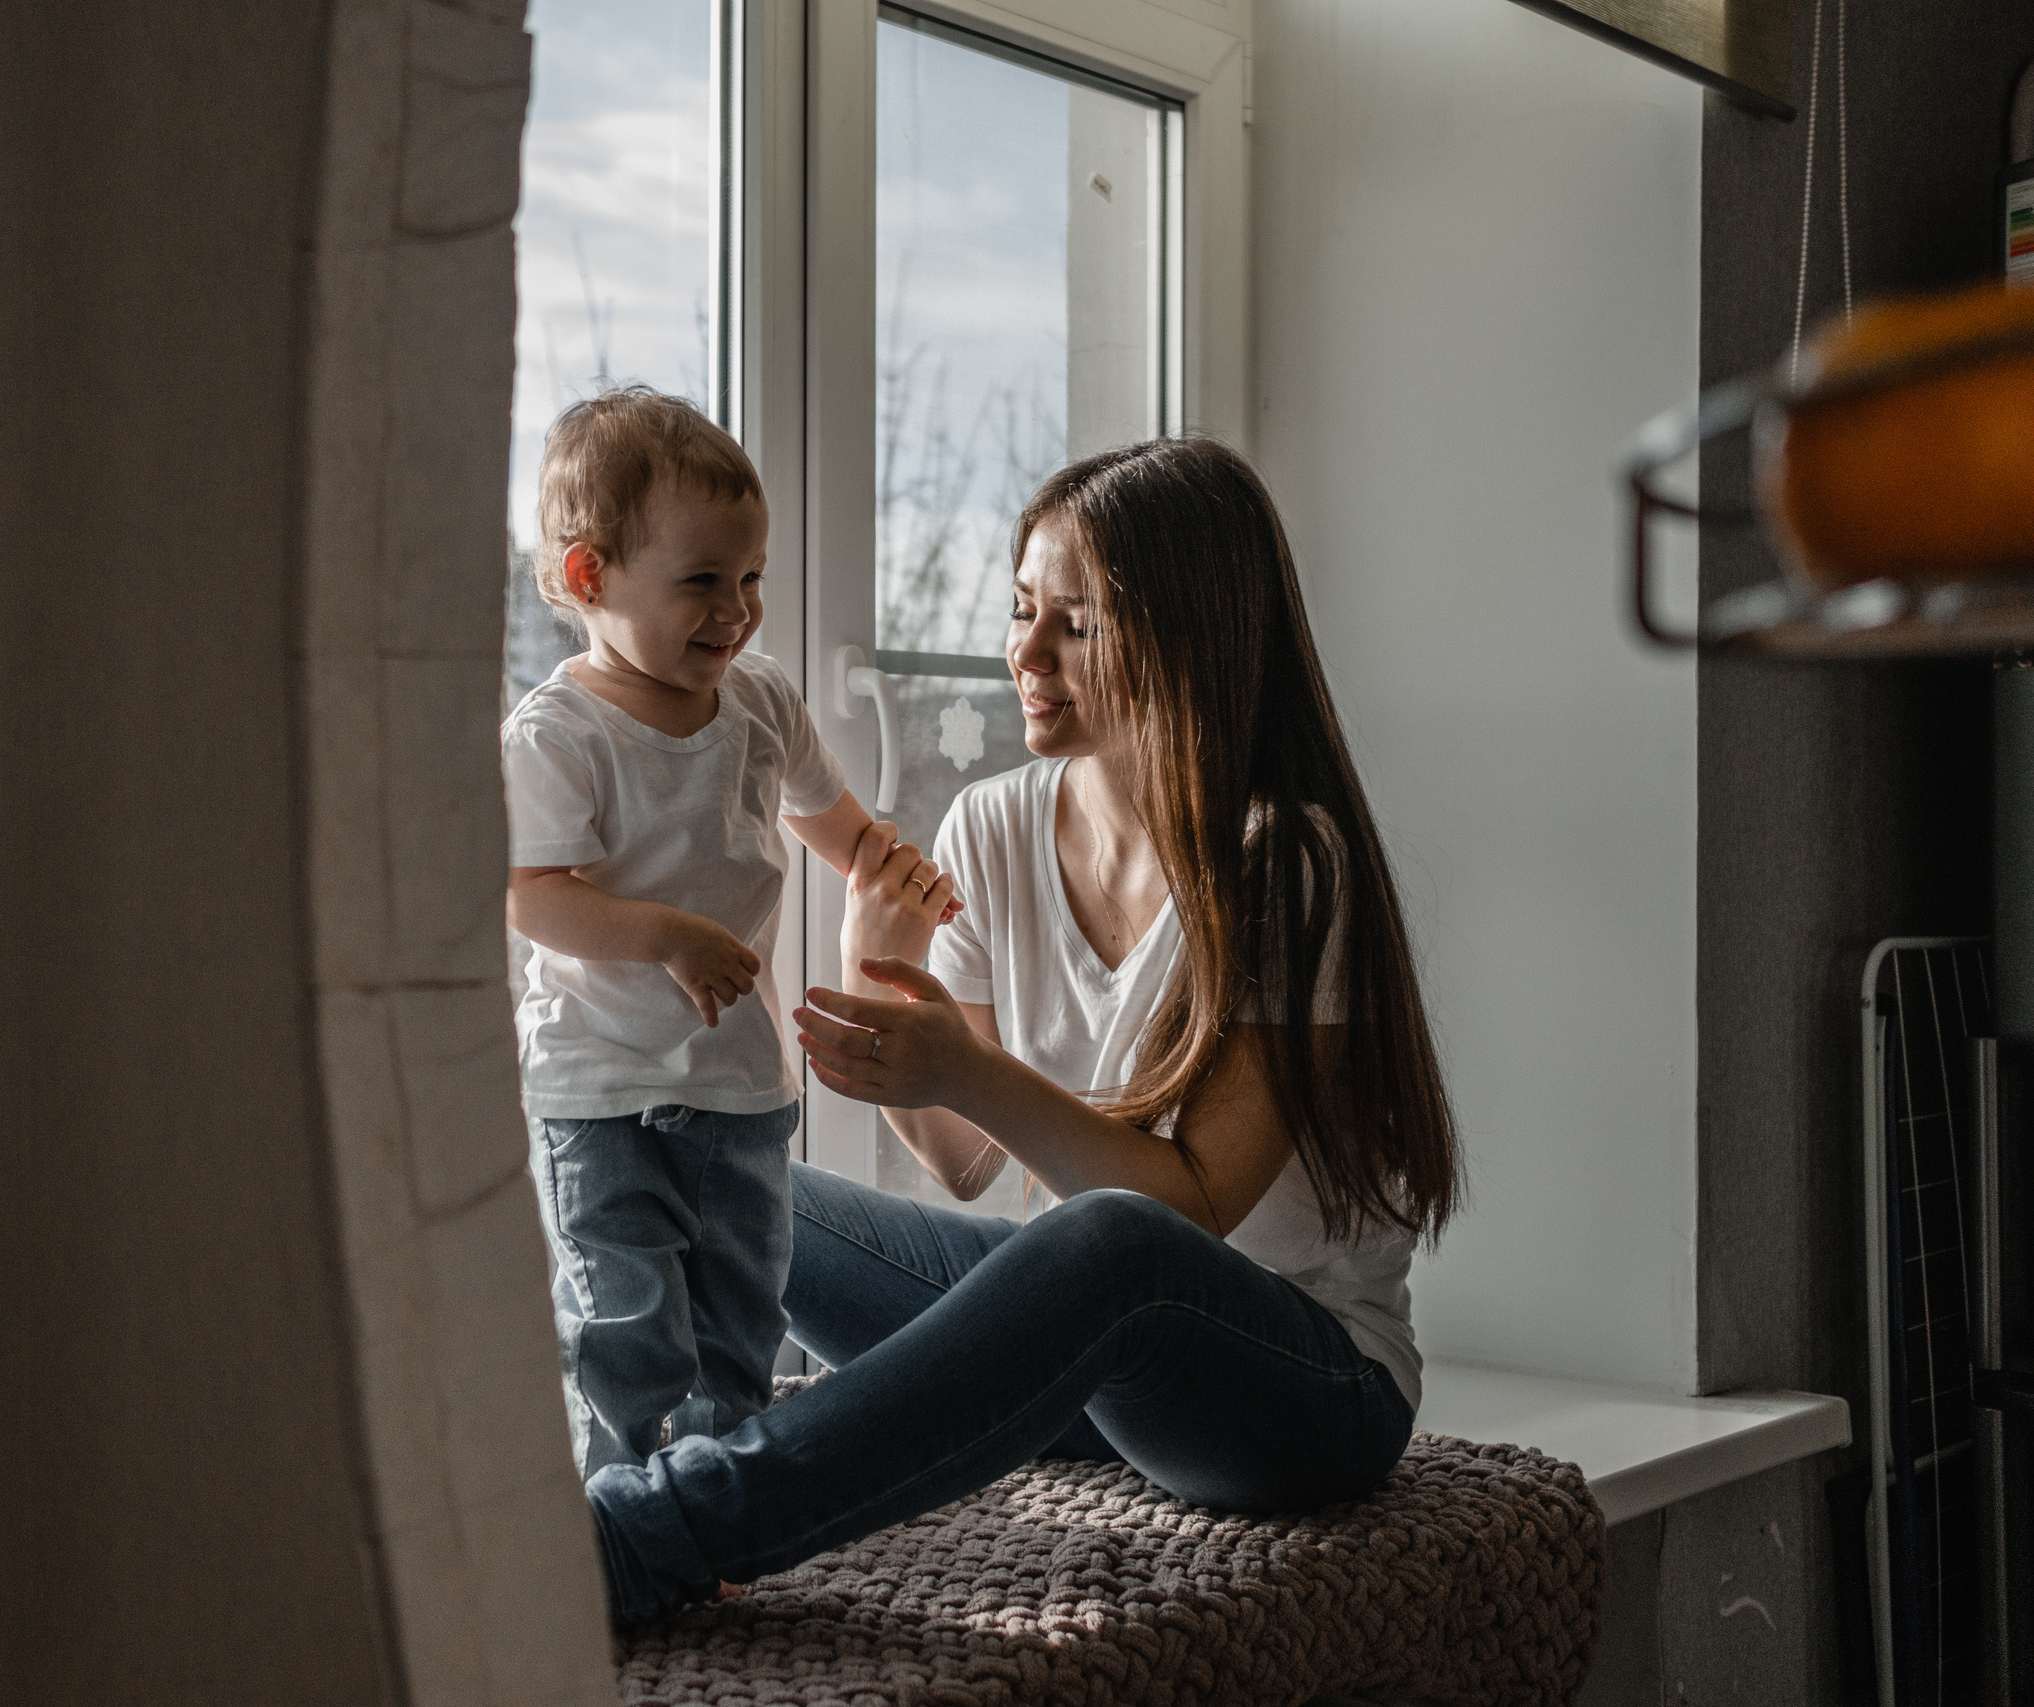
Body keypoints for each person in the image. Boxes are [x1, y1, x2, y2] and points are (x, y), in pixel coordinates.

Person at [585, 436, 1462, 1622]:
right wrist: (883, 977)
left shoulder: (1283, 862)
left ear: (1187, 634)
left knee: (1113, 1243)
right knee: (721, 1178)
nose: (1024, 654)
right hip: (1101, 1372)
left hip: (1299, 1390)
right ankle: (640, 1458)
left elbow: (1187, 1210)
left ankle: (641, 1538)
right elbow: (962, 1161)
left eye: (1075, 625)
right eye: (1018, 610)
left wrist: (975, 1068)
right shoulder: (992, 823)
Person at [504, 387, 957, 1477]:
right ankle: (613, 1510)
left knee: (738, 1316)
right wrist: (665, 933)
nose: (736, 610)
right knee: (624, 1318)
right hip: (599, 1087)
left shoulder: (758, 704)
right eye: (701, 582)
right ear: (588, 576)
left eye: (750, 579)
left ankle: (716, 1502)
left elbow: (830, 819)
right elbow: (529, 893)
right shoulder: (561, 732)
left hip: (736, 1083)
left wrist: (888, 870)